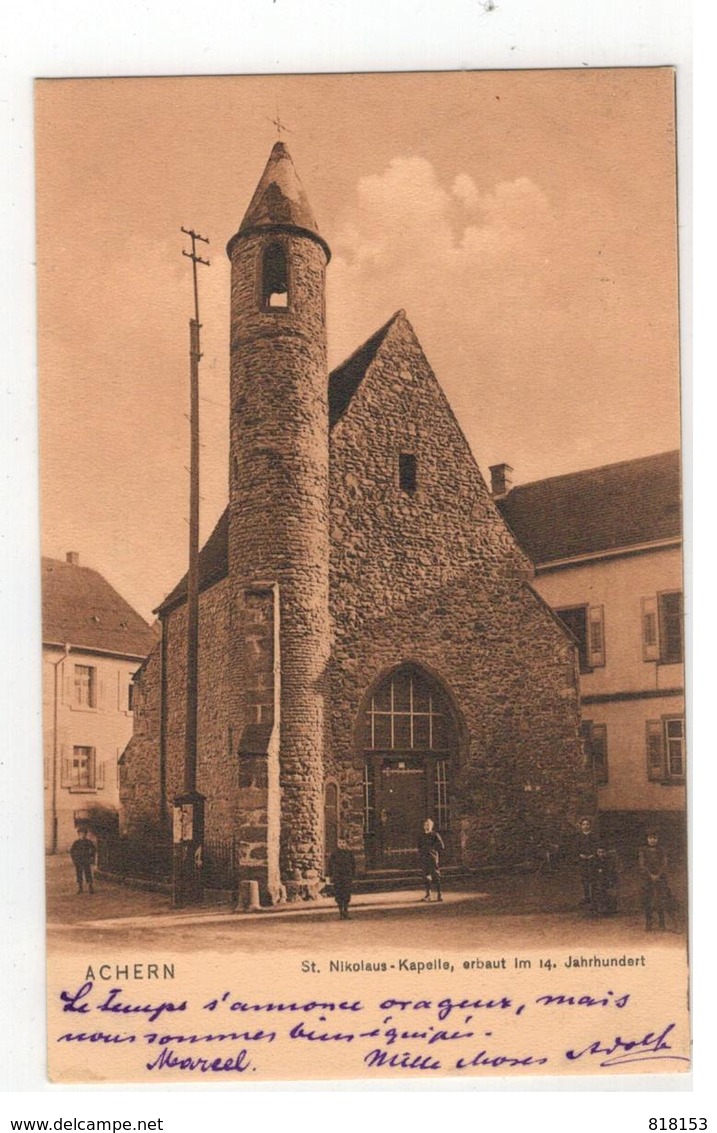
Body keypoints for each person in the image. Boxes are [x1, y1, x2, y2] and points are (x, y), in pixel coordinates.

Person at [638, 829, 669, 931]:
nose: (652, 840)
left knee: (660, 899)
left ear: (657, 839)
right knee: (647, 899)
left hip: (660, 877)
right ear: (647, 839)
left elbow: (664, 864)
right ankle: (649, 922)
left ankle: (662, 922)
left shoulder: (662, 850)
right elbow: (642, 865)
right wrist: (650, 875)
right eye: (650, 838)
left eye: (654, 838)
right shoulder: (643, 850)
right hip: (647, 878)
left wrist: (658, 875)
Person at [417, 818, 445, 902]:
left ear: (432, 826)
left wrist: (432, 850)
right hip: (424, 858)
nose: (427, 827)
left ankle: (439, 894)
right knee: (426, 876)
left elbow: (441, 846)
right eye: (425, 825)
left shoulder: (435, 835)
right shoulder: (421, 836)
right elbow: (419, 846)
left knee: (436, 875)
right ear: (423, 826)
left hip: (432, 858)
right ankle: (428, 895)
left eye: (428, 825)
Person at [327, 843, 356, 920]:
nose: (342, 845)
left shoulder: (349, 854)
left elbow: (353, 865)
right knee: (339, 894)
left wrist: (352, 875)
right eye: (340, 843)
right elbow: (330, 865)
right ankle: (341, 912)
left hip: (347, 877)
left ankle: (346, 911)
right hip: (338, 877)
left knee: (346, 894)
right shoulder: (334, 854)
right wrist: (330, 875)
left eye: (344, 843)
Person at [575, 816, 598, 907]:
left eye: (587, 824)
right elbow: (575, 848)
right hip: (582, 860)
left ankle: (594, 897)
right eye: (583, 824)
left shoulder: (594, 837)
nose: (585, 826)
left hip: (592, 860)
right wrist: (580, 855)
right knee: (584, 879)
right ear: (581, 826)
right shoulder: (578, 837)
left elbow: (597, 848)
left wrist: (593, 855)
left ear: (590, 825)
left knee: (593, 879)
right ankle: (586, 897)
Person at [590, 845, 619, 916]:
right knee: (598, 892)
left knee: (609, 892)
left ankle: (609, 909)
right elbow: (591, 872)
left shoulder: (608, 860)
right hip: (597, 880)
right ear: (596, 852)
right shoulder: (594, 860)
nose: (601, 854)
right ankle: (597, 909)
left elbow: (611, 871)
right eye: (599, 852)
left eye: (603, 852)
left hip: (606, 879)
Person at [69, 828, 96, 894]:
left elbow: (93, 849)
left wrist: (91, 857)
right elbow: (72, 851)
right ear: (78, 834)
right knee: (79, 874)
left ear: (86, 834)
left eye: (83, 834)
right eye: (80, 834)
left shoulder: (88, 842)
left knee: (88, 873)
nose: (82, 835)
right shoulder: (76, 842)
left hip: (86, 859)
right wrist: (74, 859)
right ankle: (80, 888)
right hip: (78, 860)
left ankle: (90, 887)